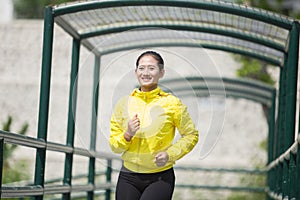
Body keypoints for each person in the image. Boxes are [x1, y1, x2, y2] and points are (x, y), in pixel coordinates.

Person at [109, 50, 199, 200]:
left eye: (151, 68)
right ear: (135, 72)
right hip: (128, 176)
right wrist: (128, 134)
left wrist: (170, 154)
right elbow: (115, 146)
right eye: (141, 68)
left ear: (161, 73)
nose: (146, 73)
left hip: (160, 178)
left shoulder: (172, 104)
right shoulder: (124, 103)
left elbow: (191, 135)